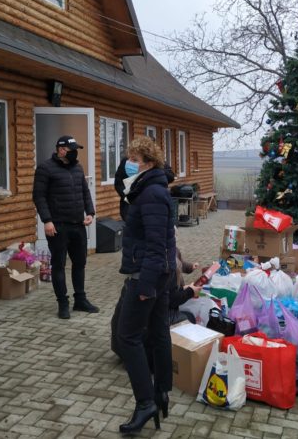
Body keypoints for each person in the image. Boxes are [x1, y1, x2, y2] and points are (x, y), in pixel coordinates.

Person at [116, 136, 176, 435]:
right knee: (158, 331)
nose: (129, 164)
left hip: (148, 273)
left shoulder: (151, 194)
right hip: (159, 272)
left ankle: (145, 403)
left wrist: (145, 285)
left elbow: (155, 245)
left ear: (149, 163)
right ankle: (161, 391)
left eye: (134, 160)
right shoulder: (149, 189)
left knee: (127, 337)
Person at [32, 135, 98, 319]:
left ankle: (80, 300)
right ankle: (63, 303)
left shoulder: (77, 168)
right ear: (61, 150)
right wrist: (47, 220)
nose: (75, 153)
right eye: (72, 149)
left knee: (80, 263)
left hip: (78, 225)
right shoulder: (45, 168)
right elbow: (39, 196)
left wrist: (90, 212)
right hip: (57, 226)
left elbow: (85, 191)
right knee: (59, 265)